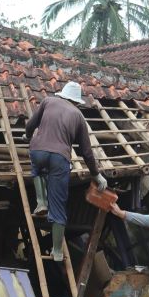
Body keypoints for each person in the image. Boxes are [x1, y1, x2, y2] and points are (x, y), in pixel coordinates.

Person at [24, 81, 107, 262]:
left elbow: (31, 124)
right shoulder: (78, 115)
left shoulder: (47, 101)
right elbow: (86, 151)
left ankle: (40, 202)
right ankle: (57, 251)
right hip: (60, 159)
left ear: (62, 95)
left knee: (37, 169)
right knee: (59, 206)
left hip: (37, 151)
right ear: (76, 101)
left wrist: (28, 136)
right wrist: (96, 174)